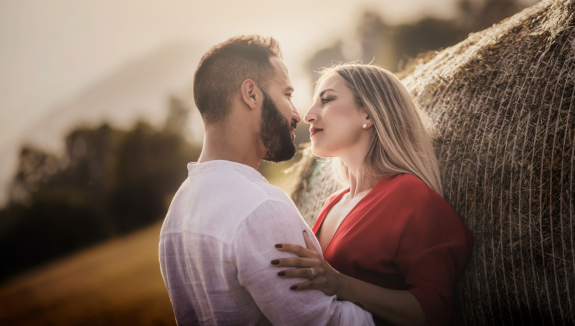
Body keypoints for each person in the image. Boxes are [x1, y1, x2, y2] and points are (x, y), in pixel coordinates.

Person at [158, 36, 374, 326]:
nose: (297, 114)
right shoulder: (260, 207)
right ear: (251, 94)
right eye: (286, 94)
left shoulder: (176, 215)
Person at [272, 63, 473, 326]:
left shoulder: (410, 195)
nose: (308, 115)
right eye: (312, 104)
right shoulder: (334, 203)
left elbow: (433, 312)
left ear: (368, 114)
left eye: (327, 100)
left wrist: (338, 283)